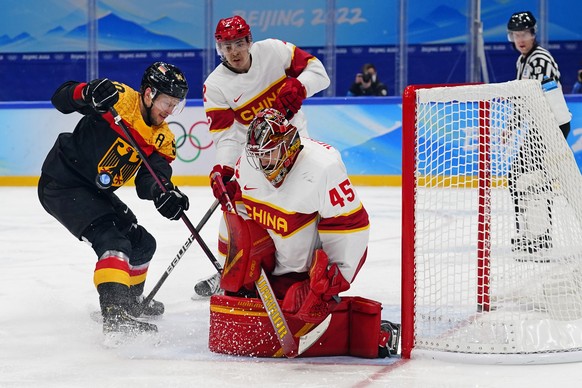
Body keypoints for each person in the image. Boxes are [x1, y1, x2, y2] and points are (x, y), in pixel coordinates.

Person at [207, 108, 400, 358]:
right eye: (259, 155)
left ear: (288, 145)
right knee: (231, 219)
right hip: (266, 271)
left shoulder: (323, 167)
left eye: (269, 153)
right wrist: (237, 267)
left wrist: (333, 279)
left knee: (296, 307)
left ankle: (374, 332)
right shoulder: (248, 161)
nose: (264, 163)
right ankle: (245, 285)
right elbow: (241, 210)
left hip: (304, 277)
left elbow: (350, 224)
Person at [38, 62, 190, 334]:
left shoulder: (163, 138)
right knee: (111, 240)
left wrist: (164, 192)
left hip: (95, 191)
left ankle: (130, 303)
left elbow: (150, 180)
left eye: (175, 105)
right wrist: (87, 93)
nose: (170, 111)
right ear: (148, 94)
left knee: (143, 243)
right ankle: (115, 314)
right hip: (63, 182)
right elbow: (60, 98)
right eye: (167, 102)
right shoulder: (117, 98)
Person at [196, 15, 330, 297]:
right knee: (234, 210)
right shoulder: (216, 85)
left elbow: (319, 72)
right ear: (219, 48)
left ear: (249, 41)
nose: (233, 52)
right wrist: (225, 169)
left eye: (238, 44)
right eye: (226, 46)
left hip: (298, 149)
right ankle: (226, 269)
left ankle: (318, 271)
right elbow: (227, 136)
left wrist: (300, 86)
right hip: (258, 159)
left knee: (308, 210)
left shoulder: (274, 50)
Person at [506, 11, 572, 254]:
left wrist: (519, 125)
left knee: (532, 179)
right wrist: (511, 126)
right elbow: (523, 100)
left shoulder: (539, 59)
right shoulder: (522, 61)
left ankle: (540, 235)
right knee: (517, 178)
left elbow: (540, 99)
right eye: (515, 34)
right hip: (538, 126)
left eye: (524, 33)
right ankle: (529, 231)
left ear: (533, 34)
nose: (520, 39)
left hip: (549, 126)